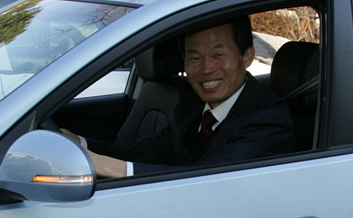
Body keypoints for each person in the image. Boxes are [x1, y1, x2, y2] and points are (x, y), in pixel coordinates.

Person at [70, 16, 295, 178]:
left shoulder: (268, 120)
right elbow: (143, 155)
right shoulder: (192, 106)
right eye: (195, 58)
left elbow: (207, 179)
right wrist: (78, 143)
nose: (206, 68)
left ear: (247, 56)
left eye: (218, 55)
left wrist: (104, 166)